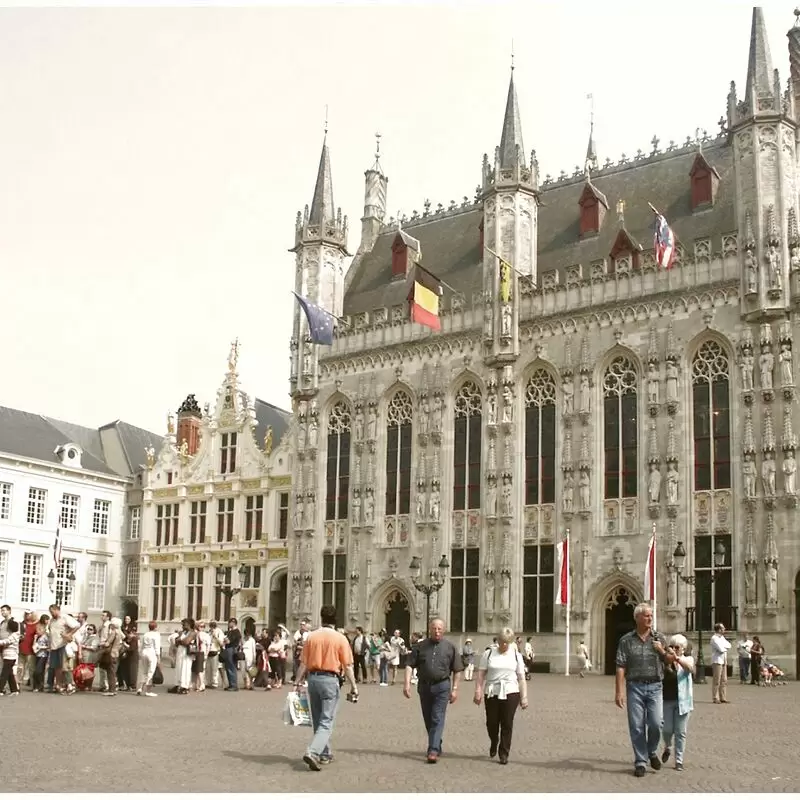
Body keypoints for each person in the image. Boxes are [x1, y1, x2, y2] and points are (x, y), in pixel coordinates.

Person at [294, 605, 358, 771]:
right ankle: (313, 752)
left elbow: (304, 663)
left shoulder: (312, 637)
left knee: (318, 719)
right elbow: (348, 665)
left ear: (321, 618)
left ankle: (325, 753)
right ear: (335, 619)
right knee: (326, 720)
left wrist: (296, 682)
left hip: (313, 679)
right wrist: (354, 686)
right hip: (330, 680)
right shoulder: (340, 638)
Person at [615, 603, 676, 778]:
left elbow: (671, 659)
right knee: (637, 727)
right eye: (647, 616)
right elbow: (620, 666)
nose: (650, 618)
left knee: (656, 723)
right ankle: (641, 761)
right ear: (637, 618)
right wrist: (619, 692)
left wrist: (661, 650)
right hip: (634, 686)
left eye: (651, 616)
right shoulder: (626, 640)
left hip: (655, 686)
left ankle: (651, 751)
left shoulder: (659, 638)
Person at [403, 618, 463, 764]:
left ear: (444, 630)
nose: (437, 631)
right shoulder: (420, 646)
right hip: (424, 687)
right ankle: (437, 742)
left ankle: (433, 750)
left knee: (437, 716)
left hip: (442, 686)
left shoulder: (450, 647)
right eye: (434, 628)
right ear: (429, 629)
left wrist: (455, 689)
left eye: (439, 629)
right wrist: (406, 684)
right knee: (428, 718)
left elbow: (457, 670)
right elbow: (410, 665)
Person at [473, 627, 528, 764]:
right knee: (491, 722)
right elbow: (481, 674)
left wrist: (524, 696)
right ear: (498, 640)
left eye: (507, 642)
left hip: (511, 691)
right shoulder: (489, 654)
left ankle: (504, 752)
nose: (504, 645)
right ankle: (494, 740)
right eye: (502, 641)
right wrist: (478, 690)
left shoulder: (516, 655)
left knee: (507, 722)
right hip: (492, 691)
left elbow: (521, 678)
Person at [660, 634, 694, 771]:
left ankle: (679, 760)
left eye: (677, 647)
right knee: (667, 729)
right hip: (667, 699)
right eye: (672, 646)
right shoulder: (665, 662)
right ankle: (668, 746)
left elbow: (690, 669)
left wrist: (677, 658)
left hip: (683, 701)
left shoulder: (688, 659)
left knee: (681, 732)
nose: (674, 649)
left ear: (683, 649)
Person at [709, 623, 731, 704]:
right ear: (719, 629)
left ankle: (723, 697)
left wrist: (724, 647)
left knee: (724, 680)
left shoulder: (722, 638)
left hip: (724, 660)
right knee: (716, 680)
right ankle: (715, 697)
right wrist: (724, 647)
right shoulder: (714, 638)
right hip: (717, 661)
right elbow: (721, 649)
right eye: (723, 628)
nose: (724, 629)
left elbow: (729, 645)